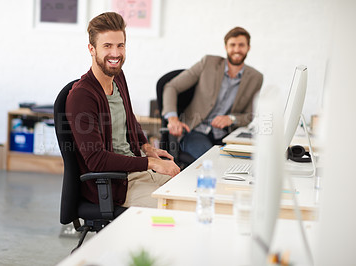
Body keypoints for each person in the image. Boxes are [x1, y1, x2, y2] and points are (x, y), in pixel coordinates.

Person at [66, 12, 180, 208]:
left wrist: (146, 147)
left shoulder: (117, 77)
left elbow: (129, 117)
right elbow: (96, 160)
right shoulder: (82, 96)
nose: (116, 54)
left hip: (139, 173)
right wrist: (151, 163)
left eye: (120, 45)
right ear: (91, 49)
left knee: (192, 193)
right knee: (178, 208)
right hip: (116, 187)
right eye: (107, 46)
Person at [162, 27, 263, 160]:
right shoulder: (208, 63)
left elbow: (249, 116)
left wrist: (231, 119)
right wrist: (173, 119)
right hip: (194, 131)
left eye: (241, 45)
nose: (237, 49)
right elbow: (171, 86)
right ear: (226, 47)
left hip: (225, 136)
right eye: (232, 45)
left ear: (248, 48)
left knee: (248, 160)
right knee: (212, 161)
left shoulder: (255, 77)